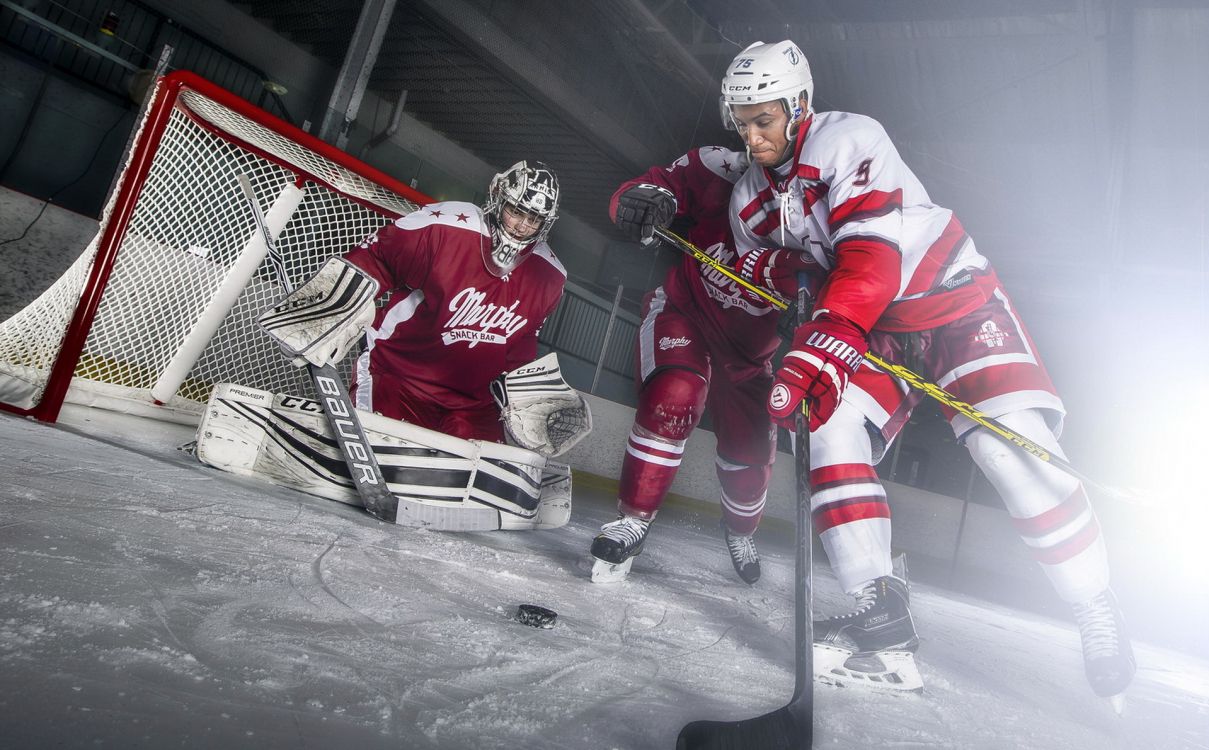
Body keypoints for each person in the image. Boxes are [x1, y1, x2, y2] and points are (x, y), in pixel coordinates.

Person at [720, 40, 1134, 706]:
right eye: (740, 121)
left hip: (949, 300)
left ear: (798, 106)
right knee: (824, 426)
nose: (751, 134)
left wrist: (813, 347)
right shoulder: (746, 197)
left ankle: (1092, 601)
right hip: (874, 330)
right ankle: (879, 617)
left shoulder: (846, 137)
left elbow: (872, 264)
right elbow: (755, 282)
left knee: (1009, 448)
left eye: (763, 117)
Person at [589, 146, 816, 584]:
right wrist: (641, 200)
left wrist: (815, 306)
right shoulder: (719, 168)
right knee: (676, 394)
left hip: (749, 359)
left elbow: (839, 283)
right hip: (685, 312)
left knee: (750, 455)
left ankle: (740, 529)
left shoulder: (818, 213)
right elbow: (645, 188)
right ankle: (634, 519)